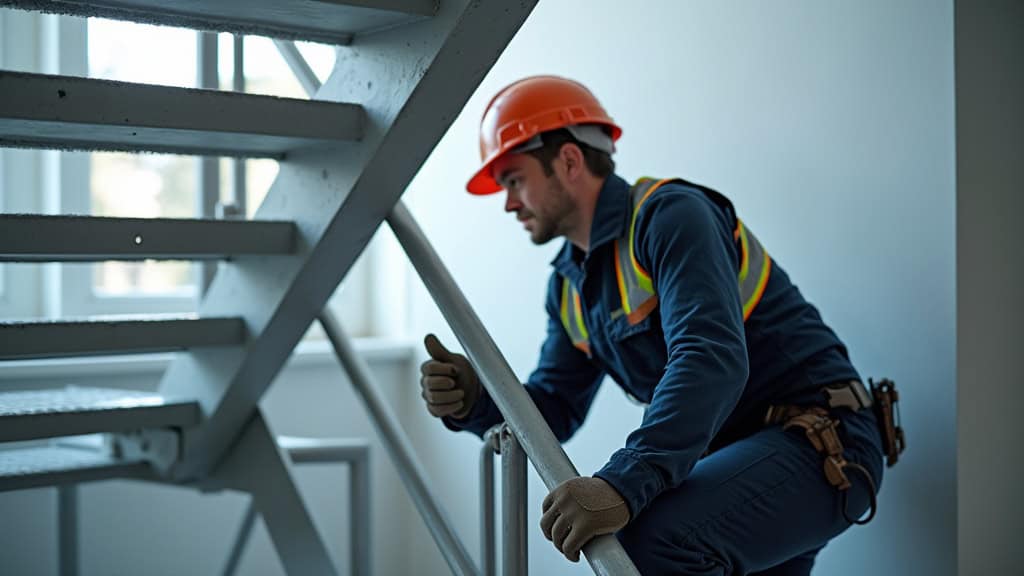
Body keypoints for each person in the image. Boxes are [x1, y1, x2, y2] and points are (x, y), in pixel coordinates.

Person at [419, 75, 888, 575]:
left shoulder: (670, 217)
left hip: (819, 440)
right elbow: (555, 407)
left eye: (514, 179)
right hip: (746, 460)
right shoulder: (570, 287)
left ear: (569, 161)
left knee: (648, 542)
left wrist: (624, 481)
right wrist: (477, 401)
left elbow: (710, 357)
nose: (509, 202)